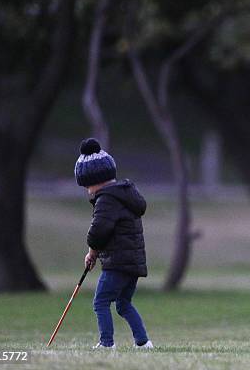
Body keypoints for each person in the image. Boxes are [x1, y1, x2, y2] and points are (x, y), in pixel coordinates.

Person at [74, 137, 153, 349]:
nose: (87, 190)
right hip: (133, 262)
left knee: (100, 302)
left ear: (94, 179)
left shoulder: (106, 199)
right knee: (123, 304)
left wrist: (91, 252)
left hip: (117, 263)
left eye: (86, 185)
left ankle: (106, 343)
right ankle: (143, 343)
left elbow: (99, 232)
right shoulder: (125, 195)